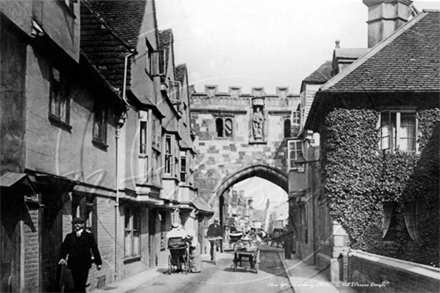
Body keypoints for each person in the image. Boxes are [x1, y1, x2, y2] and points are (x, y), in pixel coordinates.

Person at [58, 217, 102, 293]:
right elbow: (64, 248)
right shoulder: (69, 236)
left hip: (84, 264)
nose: (77, 225)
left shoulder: (89, 236)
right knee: (76, 283)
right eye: (75, 223)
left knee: (82, 283)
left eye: (79, 223)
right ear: (73, 225)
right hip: (73, 264)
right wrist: (62, 257)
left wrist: (98, 262)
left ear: (82, 225)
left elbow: (94, 249)